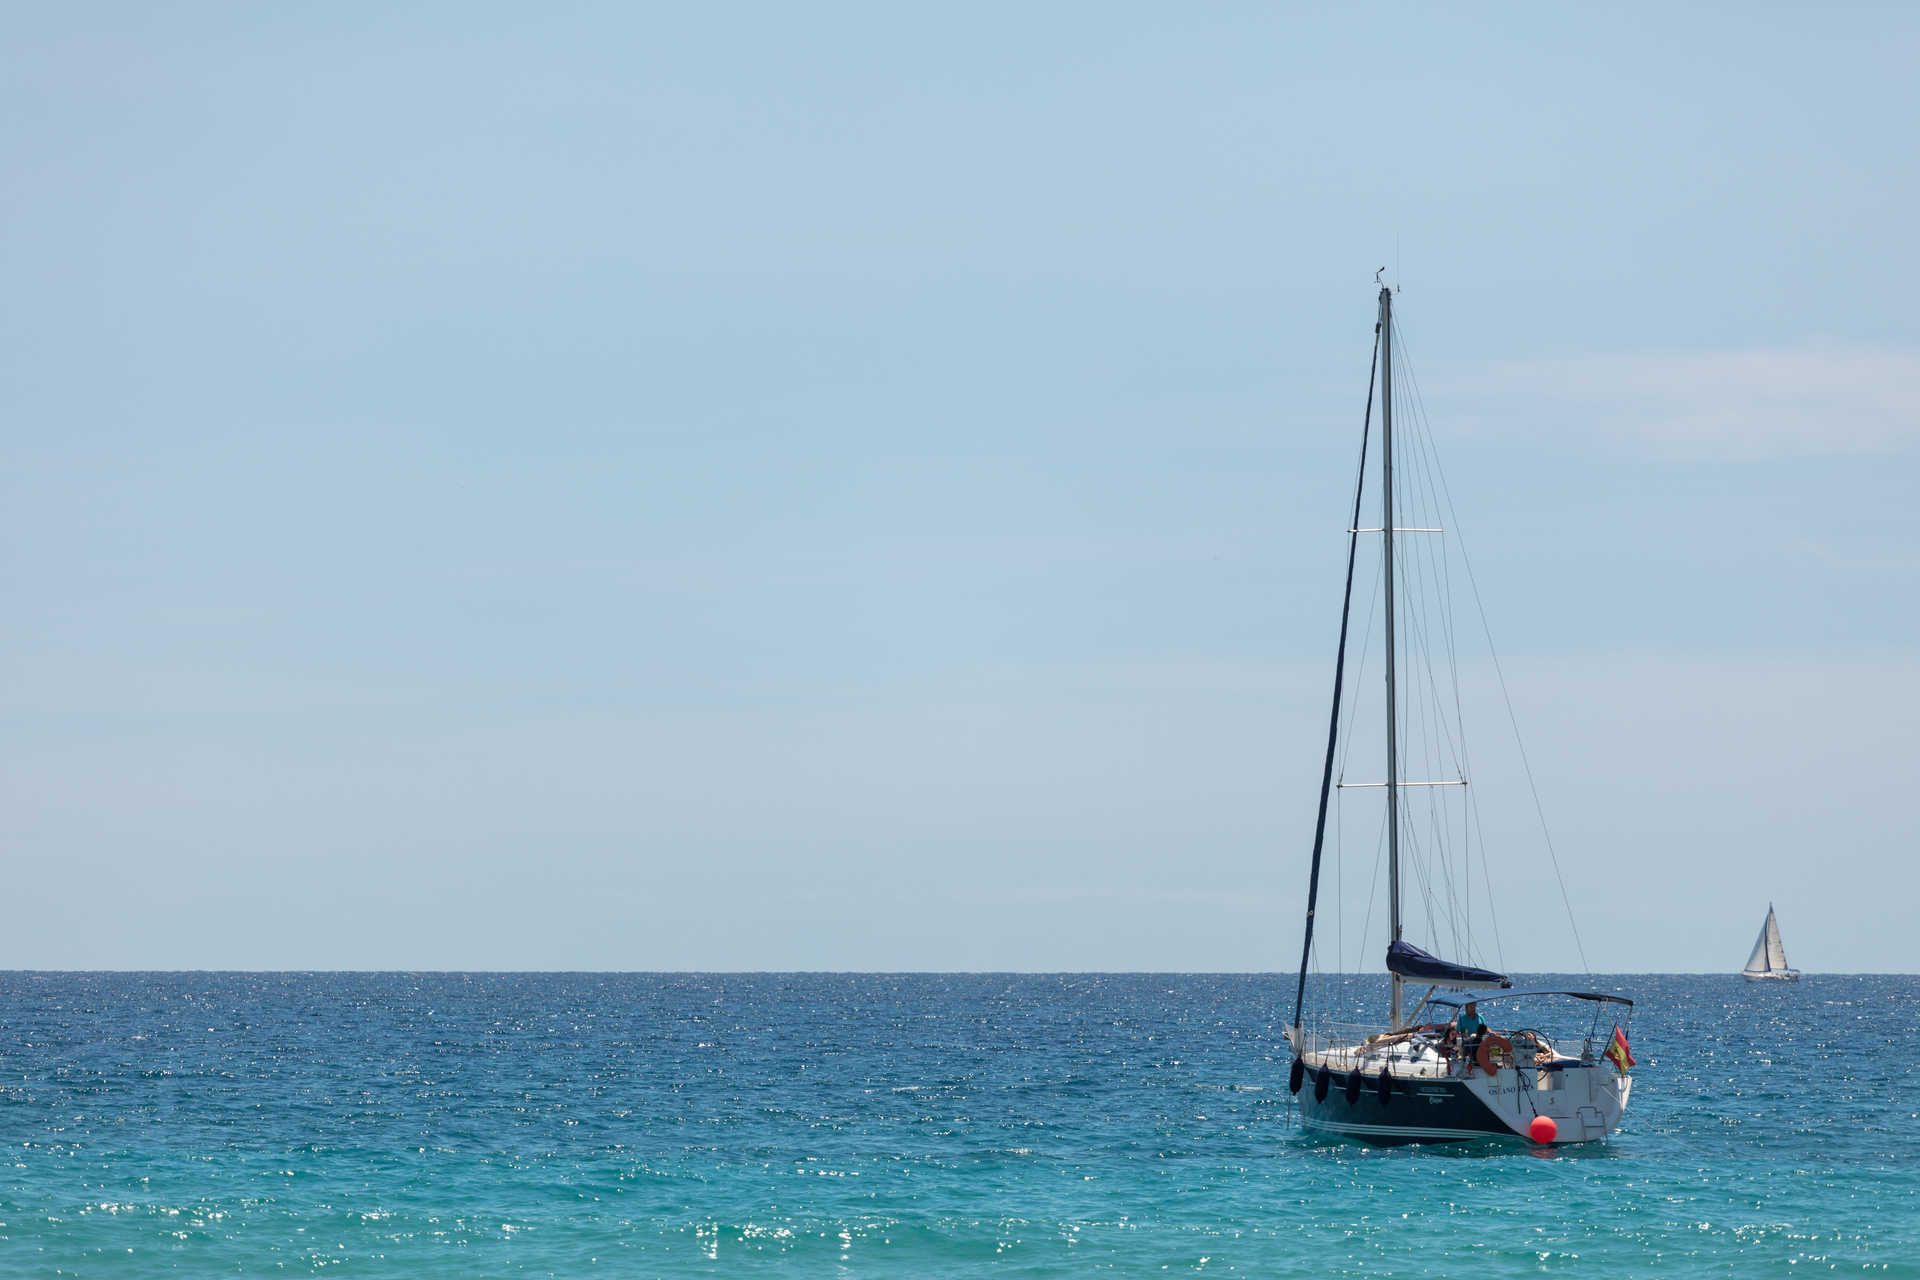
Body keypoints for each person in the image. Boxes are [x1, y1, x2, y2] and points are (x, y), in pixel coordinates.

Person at [1455, 1001, 1488, 1075]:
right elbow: (1456, 1032)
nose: (1473, 1009)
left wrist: (1492, 1033)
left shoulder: (1480, 1018)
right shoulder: (1462, 1019)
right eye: (1471, 1007)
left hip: (1479, 1043)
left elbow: (1486, 1029)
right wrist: (1463, 1035)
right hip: (1468, 1044)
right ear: (1466, 1008)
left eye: (1474, 1007)